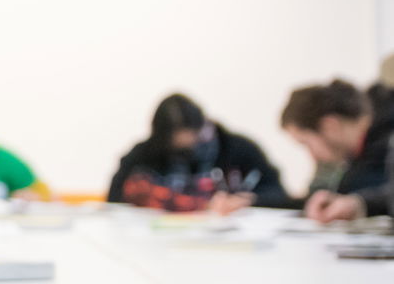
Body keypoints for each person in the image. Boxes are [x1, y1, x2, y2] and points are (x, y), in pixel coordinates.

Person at [107, 93, 290, 213]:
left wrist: (249, 200)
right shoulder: (143, 155)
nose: (190, 149)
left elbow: (278, 193)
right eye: (178, 146)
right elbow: (115, 198)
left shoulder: (238, 149)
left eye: (195, 138)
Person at [280, 80, 394, 221]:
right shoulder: (359, 150)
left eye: (307, 143)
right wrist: (358, 203)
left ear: (330, 126)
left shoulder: (386, 143)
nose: (312, 155)